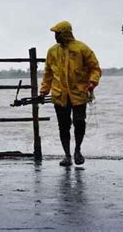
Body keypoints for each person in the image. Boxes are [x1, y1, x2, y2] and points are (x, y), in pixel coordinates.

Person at [40, 21, 101, 166]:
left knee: (79, 122)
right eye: (55, 34)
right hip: (59, 95)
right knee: (63, 126)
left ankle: (78, 150)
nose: (56, 37)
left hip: (79, 94)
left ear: (65, 33)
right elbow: (48, 73)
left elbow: (95, 68)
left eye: (58, 34)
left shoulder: (82, 49)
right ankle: (67, 155)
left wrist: (92, 82)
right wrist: (43, 91)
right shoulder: (52, 51)